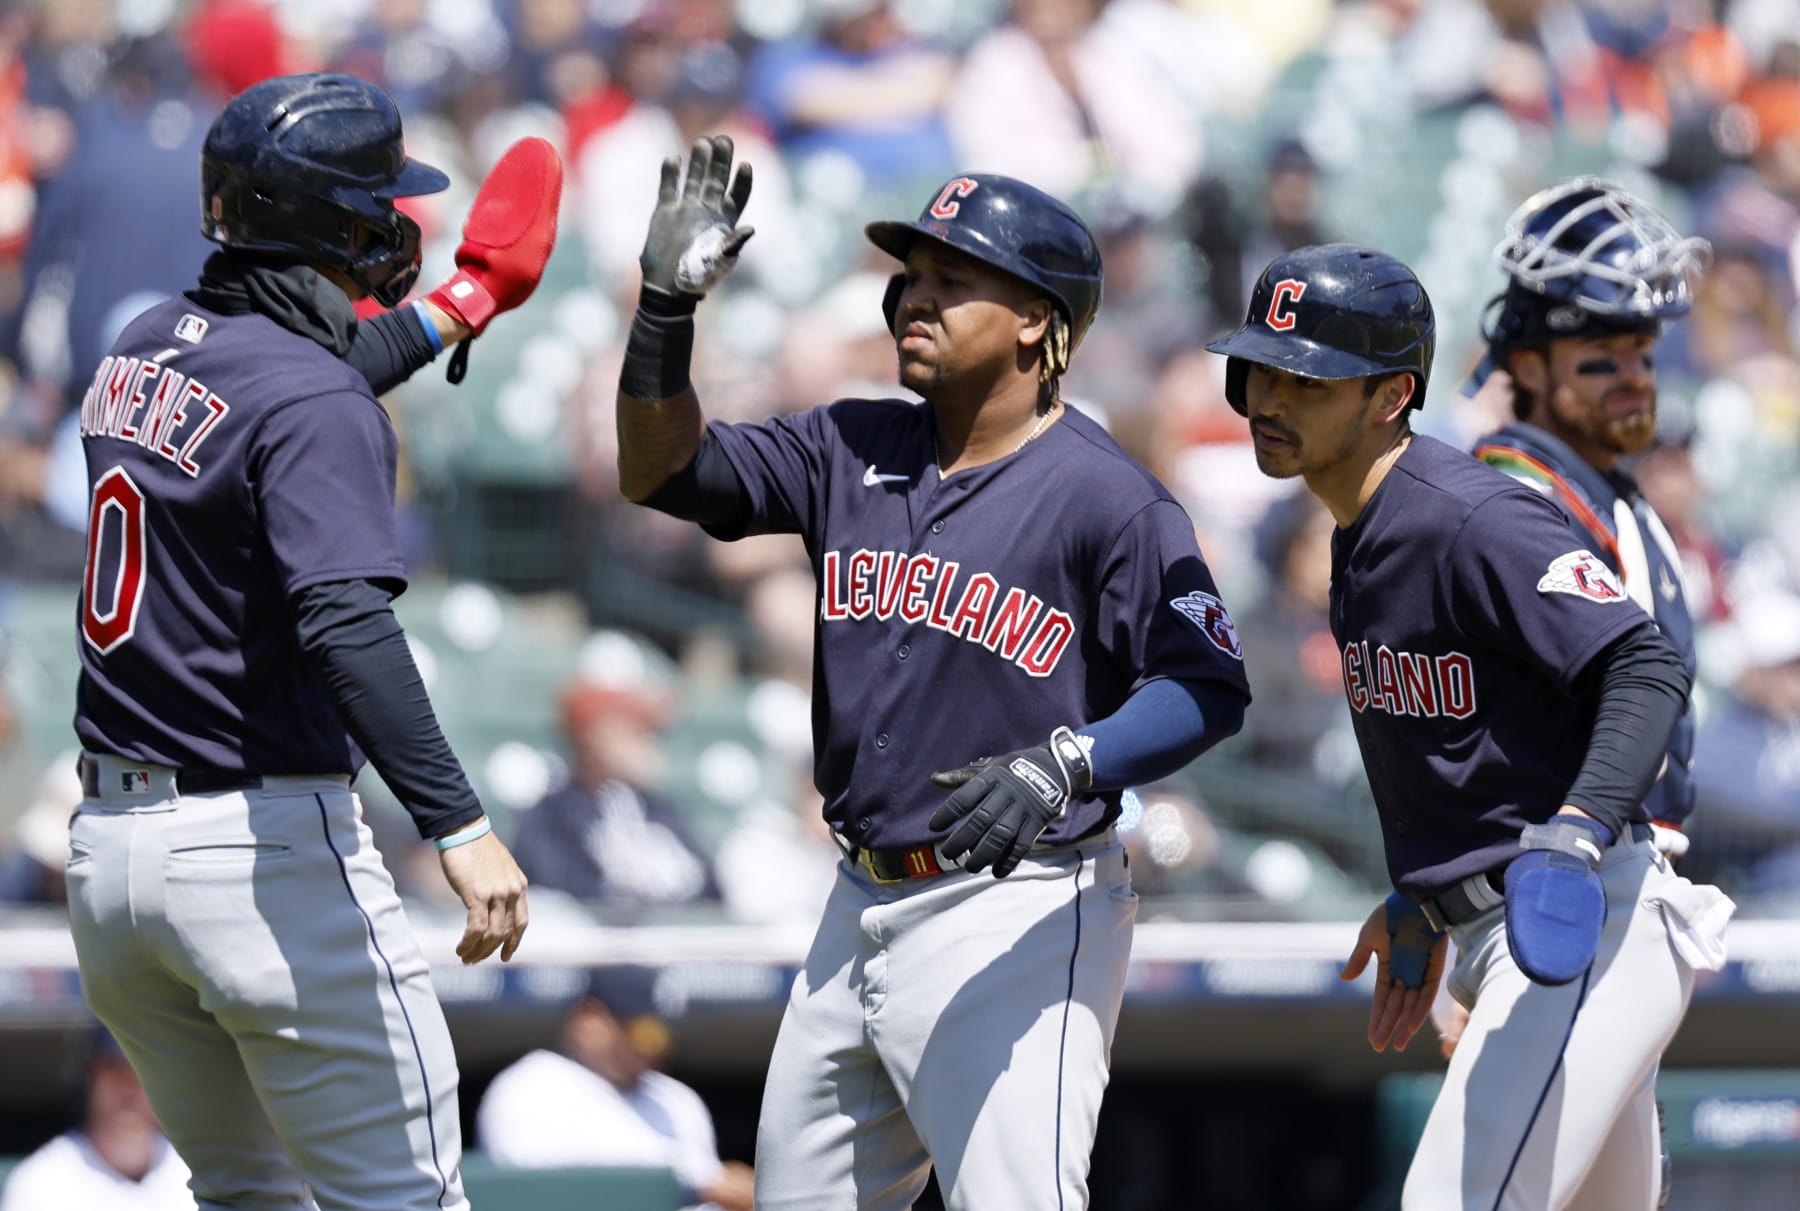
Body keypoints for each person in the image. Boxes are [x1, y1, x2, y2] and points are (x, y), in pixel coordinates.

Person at [616, 138, 1251, 1209]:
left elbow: (1208, 683)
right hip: (855, 894)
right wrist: (665, 315)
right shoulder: (849, 442)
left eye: (956, 282)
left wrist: (1071, 761)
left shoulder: (1109, 496)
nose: (915, 297)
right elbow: (662, 470)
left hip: (1020, 905)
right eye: (911, 276)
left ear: (1037, 319)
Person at [63, 72, 561, 1211]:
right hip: (258, 855)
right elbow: (343, 614)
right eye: (380, 204)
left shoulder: (143, 343)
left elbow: (300, 380)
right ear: (333, 222)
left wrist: (463, 304)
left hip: (114, 865)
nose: (400, 221)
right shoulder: (312, 402)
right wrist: (460, 822)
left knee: (250, 1195)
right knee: (408, 1200)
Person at [1208, 242, 1733, 1210]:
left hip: (1586, 921)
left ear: (1390, 394)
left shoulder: (1470, 514)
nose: (1271, 400)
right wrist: (1423, 894)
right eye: (1258, 372)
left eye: (1306, 378)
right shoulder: (1361, 528)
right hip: (1506, 920)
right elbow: (1470, 741)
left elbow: (1646, 661)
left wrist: (1574, 832)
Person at [1467, 176, 1712, 864]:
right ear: (1530, 368)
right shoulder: (1520, 494)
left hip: (1610, 860)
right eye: (1602, 356)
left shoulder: (1603, 488)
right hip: (1565, 862)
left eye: (1643, 351)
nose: (1635, 375)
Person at [476, 966, 755, 1210]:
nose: (658, 1047)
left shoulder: (677, 1099)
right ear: (590, 1019)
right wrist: (690, 1189)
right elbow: (546, 1198)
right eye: (647, 1033)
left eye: (666, 1035)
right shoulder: (529, 1089)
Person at [509, 670, 724, 909]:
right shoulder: (550, 819)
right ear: (593, 737)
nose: (650, 744)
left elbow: (712, 894)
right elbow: (565, 897)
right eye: (638, 731)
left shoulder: (661, 810)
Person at [0, 1026, 195, 1211]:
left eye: (141, 1072)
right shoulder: (40, 1183)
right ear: (89, 1080)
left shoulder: (196, 1171)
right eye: (114, 1070)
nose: (128, 1088)